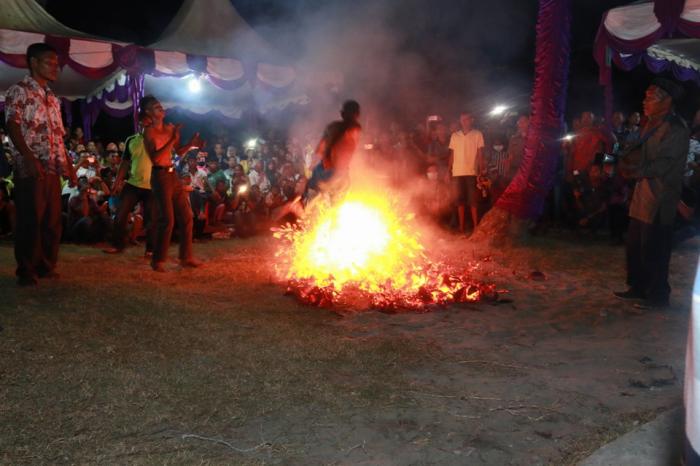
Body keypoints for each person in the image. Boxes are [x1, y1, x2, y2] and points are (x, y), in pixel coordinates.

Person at [5, 43, 77, 286]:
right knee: (31, 219)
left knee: (52, 220)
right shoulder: (19, 91)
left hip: (53, 166)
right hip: (31, 165)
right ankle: (26, 270)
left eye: (57, 63)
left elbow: (59, 135)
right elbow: (12, 125)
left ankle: (46, 265)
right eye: (50, 62)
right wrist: (28, 157)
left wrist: (70, 167)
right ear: (33, 63)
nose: (56, 67)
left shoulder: (53, 98)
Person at [615, 78, 690, 307]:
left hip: (660, 198)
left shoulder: (676, 128)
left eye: (650, 98)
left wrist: (634, 171)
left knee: (655, 248)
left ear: (666, 101)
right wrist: (622, 159)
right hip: (642, 195)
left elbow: (664, 163)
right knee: (635, 246)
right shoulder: (650, 124)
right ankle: (638, 287)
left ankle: (658, 295)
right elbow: (640, 154)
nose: (644, 102)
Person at [140, 95, 203, 272]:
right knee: (167, 219)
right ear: (148, 112)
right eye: (156, 107)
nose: (160, 108)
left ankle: (186, 257)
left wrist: (190, 144)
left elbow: (177, 152)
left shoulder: (169, 128)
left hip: (172, 174)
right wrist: (172, 138)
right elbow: (156, 157)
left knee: (187, 216)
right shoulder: (148, 132)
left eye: (160, 105)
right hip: (159, 176)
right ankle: (158, 260)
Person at [103, 113, 155, 255]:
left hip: (152, 186)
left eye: (149, 123)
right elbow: (125, 163)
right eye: (143, 122)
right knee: (121, 214)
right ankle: (117, 245)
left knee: (151, 219)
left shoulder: (157, 140)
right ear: (140, 123)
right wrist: (117, 182)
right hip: (133, 184)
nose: (146, 125)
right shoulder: (131, 140)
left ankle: (150, 249)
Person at [303, 100, 362, 203]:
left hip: (325, 171)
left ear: (342, 113)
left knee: (311, 199)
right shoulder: (354, 129)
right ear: (357, 114)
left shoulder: (333, 127)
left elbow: (319, 150)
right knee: (332, 203)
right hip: (338, 174)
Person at [449, 111, 485, 234]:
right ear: (460, 121)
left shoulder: (477, 134)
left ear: (472, 120)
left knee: (473, 201)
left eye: (467, 119)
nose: (464, 122)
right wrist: (449, 170)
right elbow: (452, 154)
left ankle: (475, 227)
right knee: (460, 201)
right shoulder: (455, 136)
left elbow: (480, 154)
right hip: (457, 172)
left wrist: (481, 170)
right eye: (462, 119)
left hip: (471, 172)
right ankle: (461, 228)